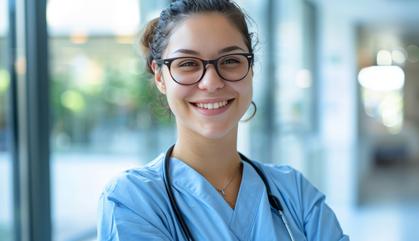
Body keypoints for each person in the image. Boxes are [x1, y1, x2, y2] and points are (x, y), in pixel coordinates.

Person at [97, 0, 349, 240]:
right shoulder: (131, 199)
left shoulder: (294, 191)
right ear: (160, 77)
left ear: (250, 70)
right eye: (188, 63)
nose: (211, 82)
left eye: (230, 61)